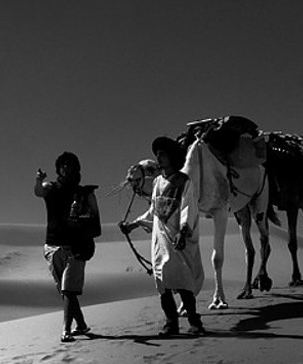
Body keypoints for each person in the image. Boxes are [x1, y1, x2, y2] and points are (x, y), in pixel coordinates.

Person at [120, 137, 206, 336]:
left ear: (172, 157)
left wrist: (183, 231)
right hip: (160, 240)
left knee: (183, 280)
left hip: (177, 239)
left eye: (163, 154)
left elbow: (188, 208)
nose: (159, 157)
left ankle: (195, 322)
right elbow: (154, 211)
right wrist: (133, 224)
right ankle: (171, 323)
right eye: (157, 154)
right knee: (162, 282)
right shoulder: (158, 182)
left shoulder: (184, 182)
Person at [34, 151, 101, 342]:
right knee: (66, 292)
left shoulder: (85, 194)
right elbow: (39, 192)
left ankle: (66, 330)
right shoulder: (51, 188)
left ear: (76, 168)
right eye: (62, 164)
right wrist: (38, 180)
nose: (66, 168)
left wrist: (79, 219)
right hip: (52, 246)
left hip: (76, 248)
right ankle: (81, 325)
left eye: (70, 164)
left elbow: (96, 225)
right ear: (58, 168)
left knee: (68, 290)